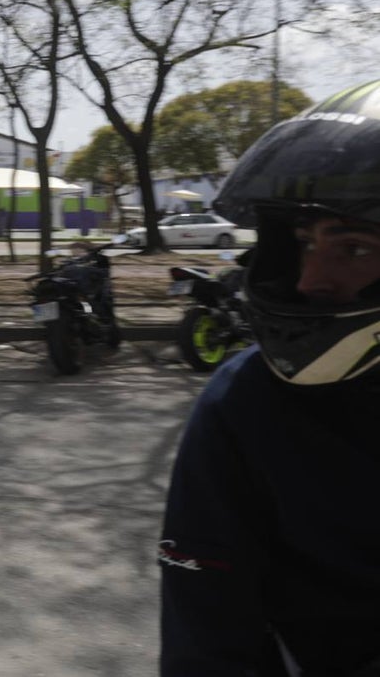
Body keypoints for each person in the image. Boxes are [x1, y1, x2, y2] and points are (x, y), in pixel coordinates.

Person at [159, 79, 380, 676]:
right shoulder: (246, 401)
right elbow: (203, 639)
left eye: (354, 249)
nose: (310, 280)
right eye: (306, 243)